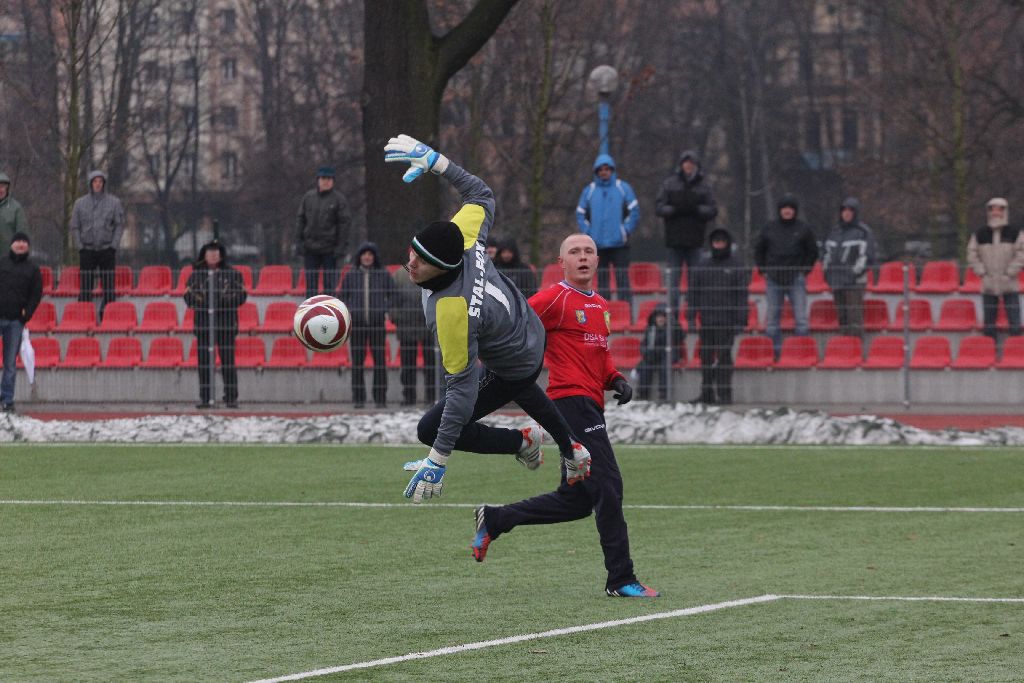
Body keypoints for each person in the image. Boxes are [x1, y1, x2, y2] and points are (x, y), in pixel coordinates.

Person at [383, 132, 591, 504]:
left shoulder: (451, 312)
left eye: (421, 260)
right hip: (527, 329)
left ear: (443, 269)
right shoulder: (463, 234)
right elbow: (481, 194)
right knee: (520, 385)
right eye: (412, 250)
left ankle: (523, 442)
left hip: (514, 355)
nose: (410, 262)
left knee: (431, 427)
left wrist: (438, 458)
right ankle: (573, 450)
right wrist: (437, 162)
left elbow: (461, 393)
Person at [468, 233, 659, 598]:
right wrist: (492, 353)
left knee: (576, 500)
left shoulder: (600, 304)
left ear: (598, 260)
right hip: (569, 404)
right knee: (608, 486)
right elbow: (515, 317)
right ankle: (621, 579)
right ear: (562, 263)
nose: (583, 257)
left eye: (589, 251)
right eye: (575, 252)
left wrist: (615, 378)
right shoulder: (554, 297)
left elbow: (600, 355)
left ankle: (496, 518)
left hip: (589, 403)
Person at [655, 150, 718, 328]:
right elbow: (659, 207)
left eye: (691, 163)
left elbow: (712, 209)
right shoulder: (669, 184)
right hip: (675, 241)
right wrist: (674, 210)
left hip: (695, 241)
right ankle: (674, 318)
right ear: (681, 165)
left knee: (695, 283)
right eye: (686, 162)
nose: (688, 166)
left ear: (695, 165)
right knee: (673, 284)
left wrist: (697, 210)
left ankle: (691, 317)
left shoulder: (704, 186)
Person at [184, 240, 247, 409]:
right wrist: (208, 305)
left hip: (226, 324)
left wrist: (219, 304)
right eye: (210, 252)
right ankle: (205, 398)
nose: (213, 255)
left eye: (216, 252)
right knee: (204, 363)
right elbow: (188, 298)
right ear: (204, 255)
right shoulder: (196, 275)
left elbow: (241, 296)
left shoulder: (233, 274)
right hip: (204, 325)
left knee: (228, 362)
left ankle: (231, 398)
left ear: (221, 255)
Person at [754, 194, 818, 357]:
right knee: (773, 321)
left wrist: (805, 270)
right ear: (780, 210)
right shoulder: (769, 227)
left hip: (796, 278)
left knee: (801, 320)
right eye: (784, 208)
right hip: (774, 279)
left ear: (794, 210)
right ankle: (773, 353)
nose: (787, 211)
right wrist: (762, 268)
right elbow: (759, 249)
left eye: (790, 208)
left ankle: (800, 353)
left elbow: (813, 252)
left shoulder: (804, 228)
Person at [690, 228, 749, 405]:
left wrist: (741, 320)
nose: (719, 245)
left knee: (724, 358)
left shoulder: (736, 266)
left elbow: (741, 295)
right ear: (712, 244)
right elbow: (693, 293)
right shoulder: (702, 266)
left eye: (722, 242)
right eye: (716, 242)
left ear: (727, 244)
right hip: (707, 321)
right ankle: (706, 393)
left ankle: (725, 394)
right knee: (706, 357)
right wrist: (691, 317)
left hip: (727, 322)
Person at [576, 153, 640, 305]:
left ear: (612, 170)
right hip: (598, 246)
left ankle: (627, 314)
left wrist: (625, 231)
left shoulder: (623, 188)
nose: (604, 172)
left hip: (620, 245)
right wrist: (589, 233)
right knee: (602, 283)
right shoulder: (589, 190)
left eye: (607, 169)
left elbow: (635, 211)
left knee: (623, 281)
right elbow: (580, 213)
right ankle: (604, 315)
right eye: (600, 169)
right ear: (596, 172)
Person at [339, 242, 393, 409]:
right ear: (360, 257)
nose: (367, 257)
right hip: (358, 326)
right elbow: (342, 298)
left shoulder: (383, 274)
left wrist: (383, 309)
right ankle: (359, 399)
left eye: (370, 254)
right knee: (357, 363)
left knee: (380, 362)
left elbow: (394, 296)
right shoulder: (351, 275)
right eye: (364, 254)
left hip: (377, 324)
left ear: (374, 257)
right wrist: (351, 310)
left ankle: (380, 399)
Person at [967, 197, 1024, 340]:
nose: (995, 212)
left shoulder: (1016, 232)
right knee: (989, 324)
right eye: (992, 209)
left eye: (999, 209)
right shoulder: (980, 233)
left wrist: (1010, 272)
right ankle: (990, 352)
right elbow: (972, 254)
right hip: (988, 283)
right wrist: (982, 272)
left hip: (1009, 283)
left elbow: (1021, 254)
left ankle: (1016, 352)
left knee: (1015, 323)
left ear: (1005, 211)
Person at [70, 170, 124, 319]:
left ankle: (107, 314)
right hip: (87, 250)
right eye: (95, 181)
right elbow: (74, 226)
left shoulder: (114, 202)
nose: (98, 184)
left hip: (107, 250)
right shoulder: (79, 204)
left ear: (104, 184)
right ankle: (84, 316)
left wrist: (114, 245)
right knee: (86, 287)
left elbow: (119, 225)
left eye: (100, 181)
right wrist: (80, 246)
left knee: (108, 286)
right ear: (90, 183)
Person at [823, 198, 879, 338]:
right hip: (836, 280)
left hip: (855, 282)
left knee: (854, 318)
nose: (846, 213)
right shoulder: (834, 231)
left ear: (856, 213)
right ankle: (845, 350)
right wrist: (828, 274)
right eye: (844, 210)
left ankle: (856, 350)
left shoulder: (864, 232)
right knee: (842, 318)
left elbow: (867, 257)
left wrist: (852, 274)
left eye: (850, 210)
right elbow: (827, 254)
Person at [0, 232, 42, 412]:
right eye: (17, 241)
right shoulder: (2, 263)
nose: (20, 244)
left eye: (24, 242)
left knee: (10, 364)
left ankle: (7, 400)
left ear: (28, 246)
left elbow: (36, 294)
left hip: (16, 321)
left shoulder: (33, 269)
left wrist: (27, 313)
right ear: (11, 244)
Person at [296, 166, 351, 298]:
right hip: (310, 248)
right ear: (318, 180)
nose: (326, 181)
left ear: (333, 181)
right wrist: (299, 242)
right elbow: (300, 220)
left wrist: (340, 247)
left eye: (329, 179)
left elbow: (345, 224)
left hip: (330, 250)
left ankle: (329, 315)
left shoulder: (339, 199)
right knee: (311, 286)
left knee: (329, 286)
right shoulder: (308, 197)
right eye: (323, 178)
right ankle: (310, 315)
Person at [390, 263, 436, 406]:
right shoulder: (399, 274)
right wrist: (396, 318)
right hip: (406, 325)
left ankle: (431, 396)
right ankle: (409, 396)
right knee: (408, 365)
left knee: (431, 365)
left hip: (428, 325)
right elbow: (392, 300)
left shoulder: (433, 271)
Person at [634, 305, 684, 401]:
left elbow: (681, 336)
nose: (660, 319)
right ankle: (642, 394)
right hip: (653, 356)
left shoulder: (672, 328)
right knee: (645, 364)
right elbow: (644, 344)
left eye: (663, 316)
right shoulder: (650, 329)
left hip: (667, 356)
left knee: (665, 362)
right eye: (658, 316)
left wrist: (674, 323)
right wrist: (646, 352)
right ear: (655, 318)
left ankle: (663, 393)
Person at [0, 171, 29, 246]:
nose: (0, 190)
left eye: (2, 186)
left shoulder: (16, 208)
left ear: (7, 188)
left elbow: (22, 235)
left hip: (8, 255)